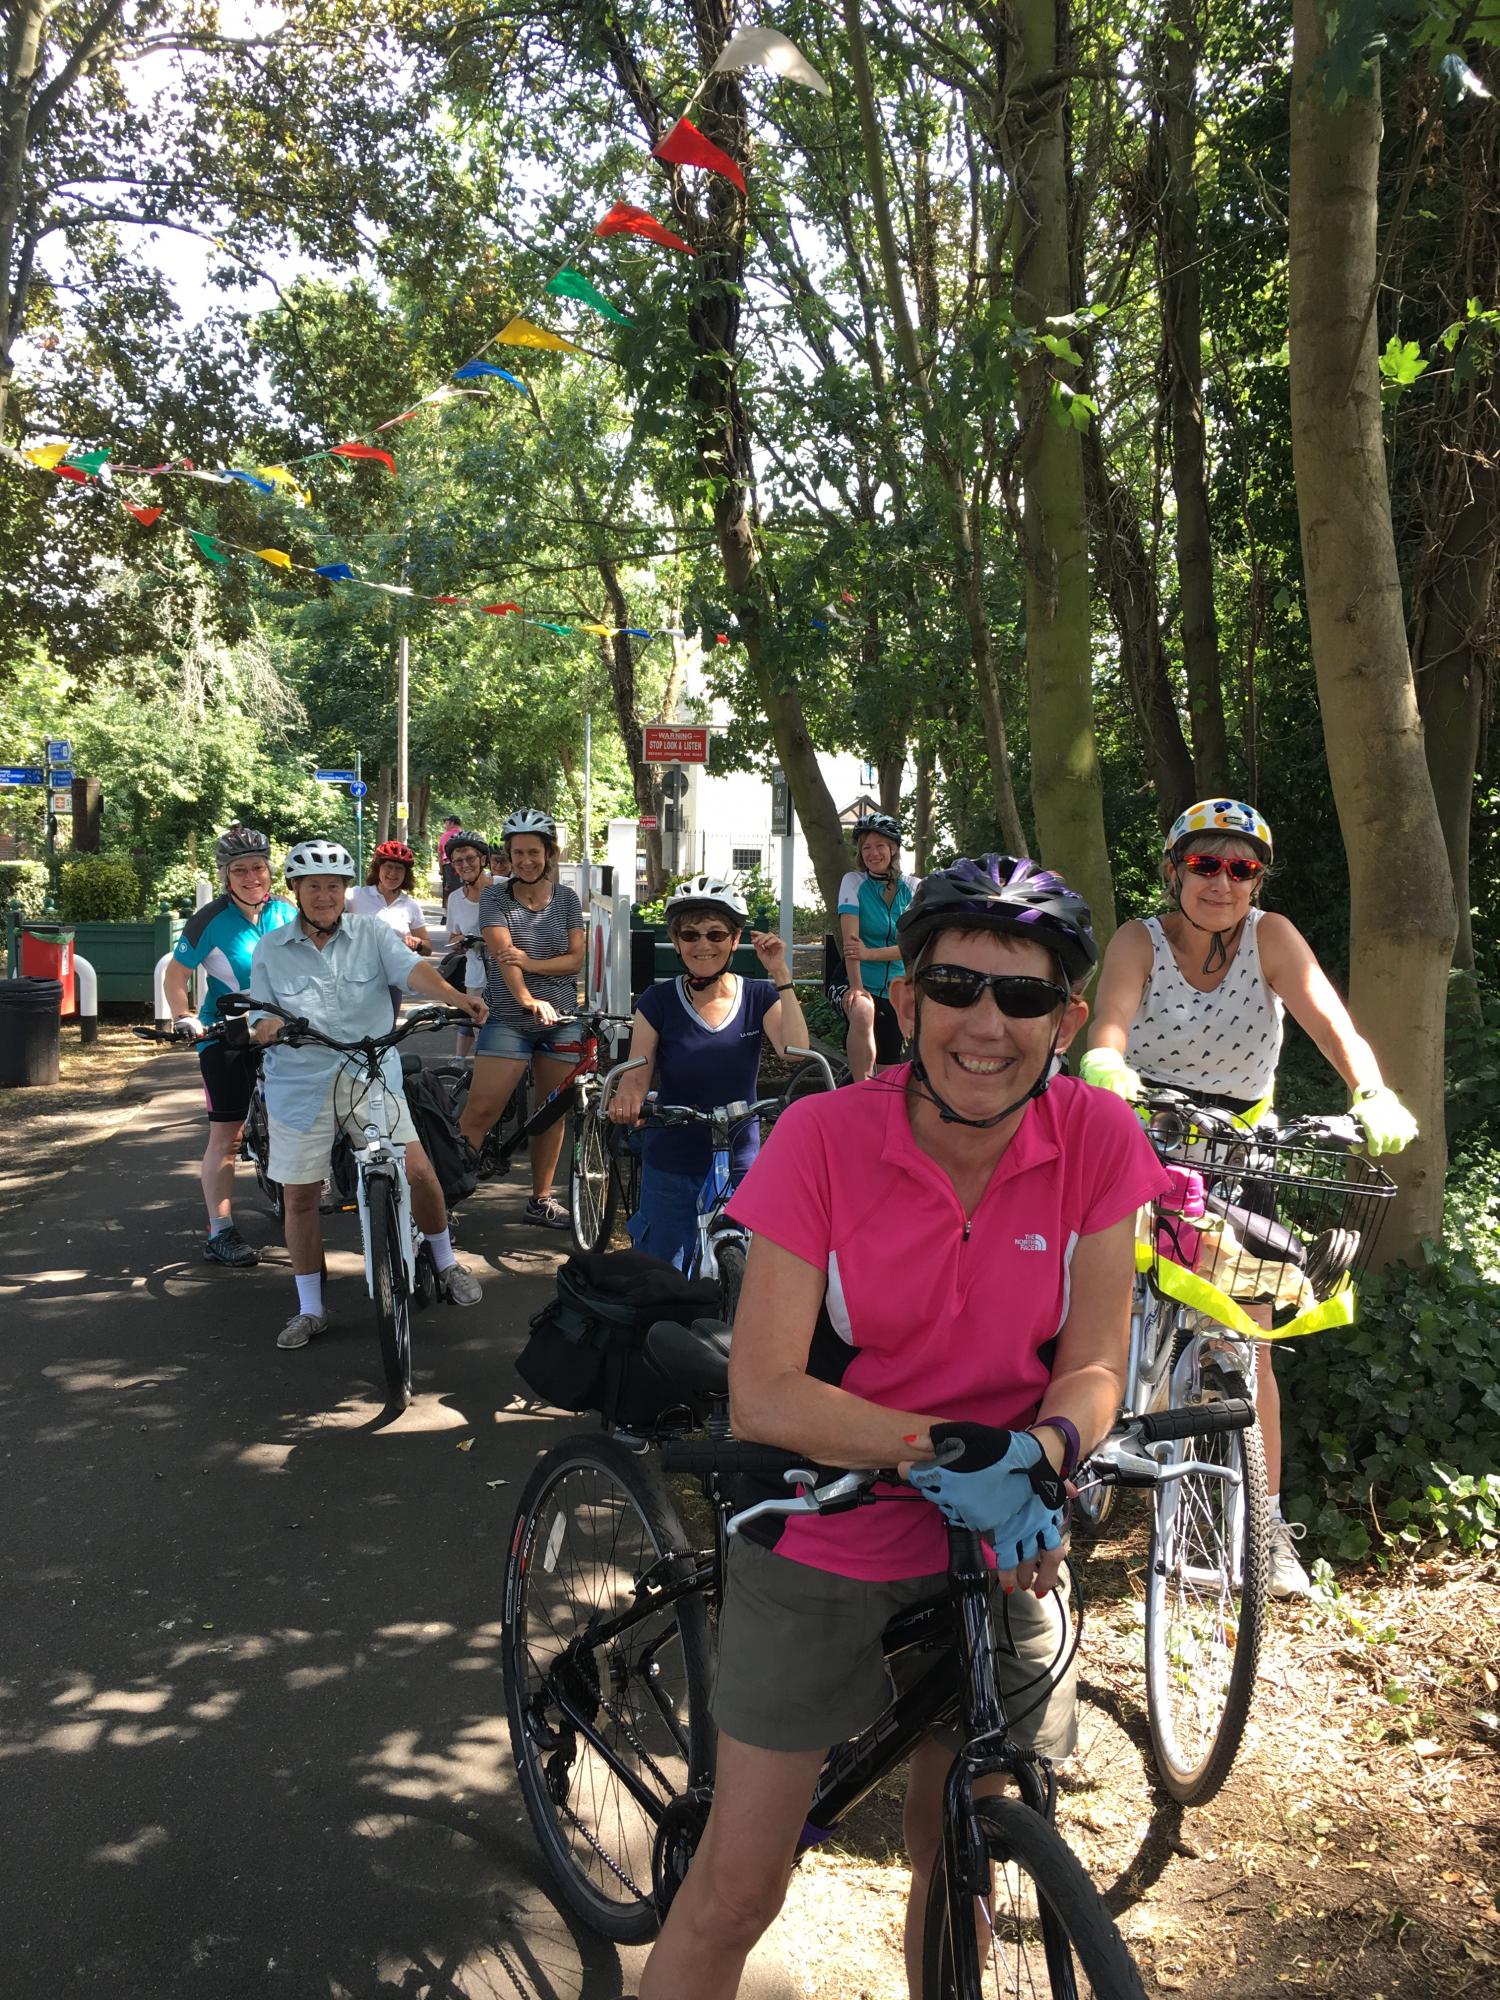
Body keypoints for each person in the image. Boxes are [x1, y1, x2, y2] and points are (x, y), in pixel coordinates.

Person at [636, 855, 1167, 2000]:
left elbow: (1093, 1359)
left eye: (1023, 997)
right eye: (957, 987)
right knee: (741, 1887)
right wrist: (943, 1447)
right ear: (909, 998)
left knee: (964, 1850)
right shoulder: (825, 1137)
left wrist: (1045, 1452)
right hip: (828, 1520)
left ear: (1068, 1020)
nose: (989, 1021)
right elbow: (766, 1393)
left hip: (1002, 1531)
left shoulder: (1098, 1142)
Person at [1081, 797, 1418, 1597]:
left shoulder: (1272, 936)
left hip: (1238, 1144)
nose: (1222, 882)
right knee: (1099, 1296)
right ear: (1175, 870)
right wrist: (1105, 1063)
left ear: (1257, 879)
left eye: (1241, 868)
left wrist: (1370, 1088)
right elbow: (1112, 1022)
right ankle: (1075, 1450)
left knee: (1253, 1333)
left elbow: (1329, 1018)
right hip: (1144, 1125)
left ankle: (1263, 1527)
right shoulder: (1140, 939)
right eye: (1205, 864)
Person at [246, 837, 488, 1352]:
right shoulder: (271, 947)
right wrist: (264, 1024)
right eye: (313, 886)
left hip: (369, 1068)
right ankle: (310, 1308)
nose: (325, 896)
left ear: (345, 890)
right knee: (301, 1195)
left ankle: (445, 1262)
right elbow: (260, 1007)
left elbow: (414, 971)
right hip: (299, 1079)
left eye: (334, 886)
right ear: (295, 890)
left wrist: (456, 997)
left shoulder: (372, 933)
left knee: (420, 1172)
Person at [606, 876, 810, 1269]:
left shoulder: (758, 996)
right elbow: (638, 1071)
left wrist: (780, 974)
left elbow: (794, 1051)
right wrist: (627, 1099)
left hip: (741, 1160)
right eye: (691, 934)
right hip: (672, 1159)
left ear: (735, 940)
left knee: (751, 1273)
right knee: (660, 1275)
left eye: (716, 934)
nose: (703, 945)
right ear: (677, 940)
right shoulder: (657, 1001)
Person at [163, 827, 296, 1267]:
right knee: (228, 1135)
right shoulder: (208, 919)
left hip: (278, 1029)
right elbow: (176, 975)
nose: (251, 876)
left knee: (301, 1116)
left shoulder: (285, 912)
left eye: (258, 867)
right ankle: (219, 1231)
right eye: (239, 870)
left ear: (270, 871)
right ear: (226, 876)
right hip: (227, 1032)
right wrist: (184, 1016)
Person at [457, 808, 586, 1229]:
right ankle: (440, 1201)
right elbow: (502, 956)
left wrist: (531, 961)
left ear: (549, 852)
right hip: (511, 1018)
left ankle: (541, 1199)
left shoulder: (566, 899)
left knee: (550, 1114)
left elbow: (576, 961)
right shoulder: (495, 896)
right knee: (480, 1111)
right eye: (517, 853)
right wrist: (528, 997)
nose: (526, 860)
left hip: (562, 1018)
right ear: (507, 856)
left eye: (534, 851)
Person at [828, 812, 921, 1081]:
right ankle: (861, 1094)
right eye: (866, 847)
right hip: (852, 977)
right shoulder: (854, 883)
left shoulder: (914, 888)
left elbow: (913, 946)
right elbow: (851, 943)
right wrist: (856, 988)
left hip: (896, 988)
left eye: (880, 846)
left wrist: (871, 953)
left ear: (893, 849)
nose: (873, 853)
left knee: (889, 1076)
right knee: (862, 1009)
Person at [347, 839, 431, 1020]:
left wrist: (418, 944)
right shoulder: (355, 895)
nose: (393, 873)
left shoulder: (411, 906)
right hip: (354, 976)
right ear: (378, 868)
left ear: (406, 874)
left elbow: (428, 947)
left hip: (391, 980)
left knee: (387, 1032)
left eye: (399, 869)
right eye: (389, 867)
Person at [442, 829, 496, 1059]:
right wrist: (460, 942)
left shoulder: (504, 887)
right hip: (476, 977)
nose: (465, 865)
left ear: (483, 859)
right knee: (483, 1033)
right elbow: (453, 935)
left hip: (510, 973)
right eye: (458, 861)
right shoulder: (455, 898)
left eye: (470, 858)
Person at [438, 814, 464, 899]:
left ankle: (450, 910)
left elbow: (440, 854)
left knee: (450, 892)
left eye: (446, 823)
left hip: (449, 866)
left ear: (452, 823)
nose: (444, 826)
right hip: (464, 865)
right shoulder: (465, 835)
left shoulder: (445, 836)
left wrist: (441, 871)